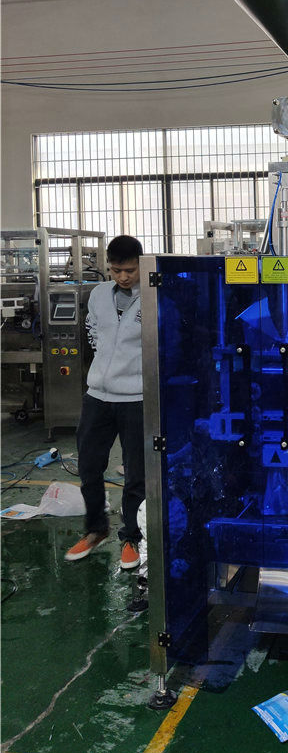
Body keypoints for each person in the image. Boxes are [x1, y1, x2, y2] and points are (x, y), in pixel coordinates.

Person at [65, 235, 145, 570]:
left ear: (141, 264)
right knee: (88, 466)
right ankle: (96, 529)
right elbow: (94, 332)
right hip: (97, 396)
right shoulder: (98, 294)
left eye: (129, 270)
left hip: (137, 398)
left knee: (137, 472)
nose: (123, 277)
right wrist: (103, 371)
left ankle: (131, 537)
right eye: (116, 270)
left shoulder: (153, 295)